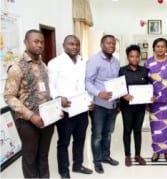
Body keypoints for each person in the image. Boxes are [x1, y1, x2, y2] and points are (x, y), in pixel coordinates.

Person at [4, 29, 54, 178]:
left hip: (46, 118)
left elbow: (45, 91)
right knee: (30, 158)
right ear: (26, 42)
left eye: (42, 42)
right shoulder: (17, 67)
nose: (39, 45)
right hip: (27, 121)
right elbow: (9, 96)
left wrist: (54, 108)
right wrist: (31, 116)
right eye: (35, 41)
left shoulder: (43, 65)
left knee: (43, 155)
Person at [48, 35, 93, 178]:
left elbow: (86, 84)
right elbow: (50, 85)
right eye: (71, 44)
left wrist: (90, 100)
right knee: (63, 142)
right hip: (65, 110)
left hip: (81, 109)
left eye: (77, 44)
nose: (74, 47)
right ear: (64, 45)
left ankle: (77, 165)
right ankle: (63, 170)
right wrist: (58, 98)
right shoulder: (55, 63)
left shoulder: (83, 62)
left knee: (80, 139)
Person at [85, 35, 120, 174]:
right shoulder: (94, 61)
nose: (111, 45)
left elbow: (117, 82)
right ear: (101, 44)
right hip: (99, 105)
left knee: (108, 133)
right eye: (108, 43)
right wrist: (99, 93)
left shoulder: (116, 61)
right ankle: (97, 162)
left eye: (113, 43)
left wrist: (118, 103)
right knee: (97, 135)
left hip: (112, 105)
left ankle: (106, 156)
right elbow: (87, 82)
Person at [144, 38, 167, 162]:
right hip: (154, 101)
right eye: (158, 46)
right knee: (156, 127)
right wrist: (146, 100)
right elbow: (145, 82)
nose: (160, 48)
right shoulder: (148, 63)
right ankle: (156, 151)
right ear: (154, 48)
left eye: (163, 46)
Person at [119, 45, 149, 167]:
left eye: (137, 56)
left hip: (140, 107)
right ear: (127, 57)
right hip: (126, 107)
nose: (135, 59)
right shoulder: (122, 70)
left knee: (137, 130)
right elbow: (118, 87)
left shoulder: (144, 70)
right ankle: (127, 155)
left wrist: (149, 98)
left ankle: (137, 154)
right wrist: (123, 94)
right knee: (127, 130)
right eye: (132, 56)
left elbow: (149, 87)